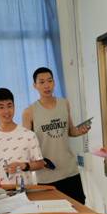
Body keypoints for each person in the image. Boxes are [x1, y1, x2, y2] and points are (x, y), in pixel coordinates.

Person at [22, 67, 89, 203]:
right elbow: (26, 146)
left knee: (79, 207)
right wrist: (37, 162)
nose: (46, 85)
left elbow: (70, 131)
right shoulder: (29, 112)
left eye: (50, 81)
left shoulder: (64, 103)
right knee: (54, 212)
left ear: (54, 83)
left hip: (70, 170)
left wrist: (80, 131)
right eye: (42, 82)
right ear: (35, 85)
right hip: (47, 174)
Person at [0, 87, 45, 185]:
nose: (6, 111)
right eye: (1, 107)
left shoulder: (29, 135)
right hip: (0, 191)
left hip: (25, 190)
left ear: (14, 107)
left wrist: (23, 166)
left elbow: (40, 164)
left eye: (9, 106)